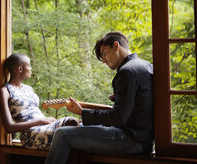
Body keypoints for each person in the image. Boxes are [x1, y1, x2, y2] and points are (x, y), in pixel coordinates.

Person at [45, 32, 154, 164]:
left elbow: (118, 117)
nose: (103, 60)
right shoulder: (145, 65)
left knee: (62, 134)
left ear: (116, 45)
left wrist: (82, 112)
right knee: (81, 127)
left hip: (131, 140)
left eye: (104, 54)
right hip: (145, 139)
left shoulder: (127, 71)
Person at [0, 53, 79, 150]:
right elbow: (9, 127)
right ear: (20, 69)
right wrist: (41, 121)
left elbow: (35, 113)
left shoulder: (29, 89)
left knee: (75, 123)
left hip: (44, 127)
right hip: (30, 134)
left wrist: (47, 120)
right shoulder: (5, 91)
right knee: (71, 128)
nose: (31, 68)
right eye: (29, 65)